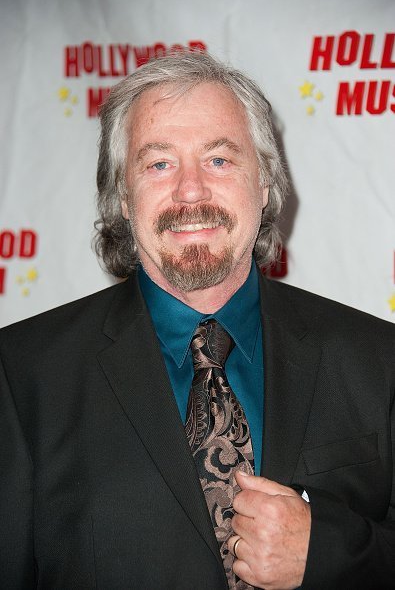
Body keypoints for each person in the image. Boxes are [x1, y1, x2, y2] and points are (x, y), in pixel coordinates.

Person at [0, 52, 394, 590]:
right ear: (122, 196)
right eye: (159, 163)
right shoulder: (22, 377)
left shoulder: (378, 359)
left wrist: (329, 551)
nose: (190, 191)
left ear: (264, 185)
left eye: (219, 159)